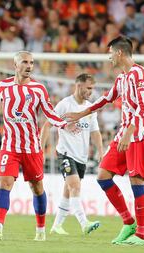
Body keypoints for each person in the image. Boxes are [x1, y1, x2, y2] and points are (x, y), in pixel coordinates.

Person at [0, 51, 78, 241]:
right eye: (25, 62)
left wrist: (64, 124)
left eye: (31, 62)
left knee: (37, 187)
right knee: (4, 184)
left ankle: (40, 230)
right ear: (16, 65)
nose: (29, 65)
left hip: (32, 148)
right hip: (9, 147)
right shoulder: (2, 87)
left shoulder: (39, 89)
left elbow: (49, 112)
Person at [64, 36, 144, 246]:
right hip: (124, 133)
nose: (109, 56)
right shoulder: (122, 79)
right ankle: (128, 222)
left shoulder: (139, 73)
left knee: (137, 181)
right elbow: (106, 99)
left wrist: (130, 132)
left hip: (137, 134)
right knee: (103, 175)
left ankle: (141, 234)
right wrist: (81, 113)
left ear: (119, 53)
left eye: (111, 52)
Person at [40, 73, 103, 235]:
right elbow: (47, 125)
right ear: (79, 85)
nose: (91, 92)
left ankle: (56, 225)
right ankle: (84, 223)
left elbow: (95, 132)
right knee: (75, 185)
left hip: (81, 155)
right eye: (89, 88)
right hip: (65, 152)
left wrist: (101, 152)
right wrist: (41, 149)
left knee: (68, 190)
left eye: (92, 89)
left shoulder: (90, 109)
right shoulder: (64, 105)